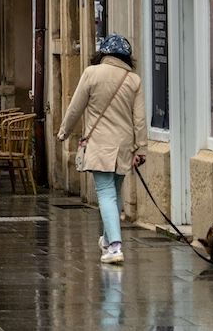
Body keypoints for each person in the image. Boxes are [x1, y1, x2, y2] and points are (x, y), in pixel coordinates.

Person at [57, 34, 148, 265]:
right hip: (125, 145)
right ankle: (108, 241)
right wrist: (142, 148)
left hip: (99, 143)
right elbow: (139, 120)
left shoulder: (91, 73)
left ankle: (115, 246)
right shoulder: (133, 80)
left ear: (103, 53)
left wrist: (64, 131)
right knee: (115, 192)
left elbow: (75, 107)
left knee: (105, 193)